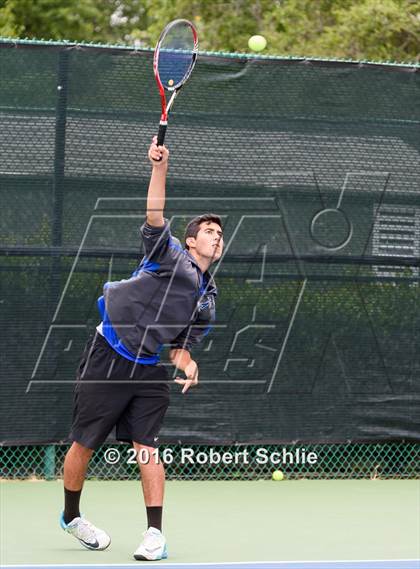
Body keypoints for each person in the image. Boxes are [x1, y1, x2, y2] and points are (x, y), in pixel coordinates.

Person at [60, 137, 224, 561]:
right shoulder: (168, 255)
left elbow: (182, 345)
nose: (216, 237)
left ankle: (155, 535)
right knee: (84, 444)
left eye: (220, 234)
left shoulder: (207, 295)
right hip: (109, 353)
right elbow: (155, 214)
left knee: (146, 445)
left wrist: (187, 361)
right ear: (190, 242)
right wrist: (160, 168)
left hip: (148, 368)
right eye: (208, 231)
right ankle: (71, 515)